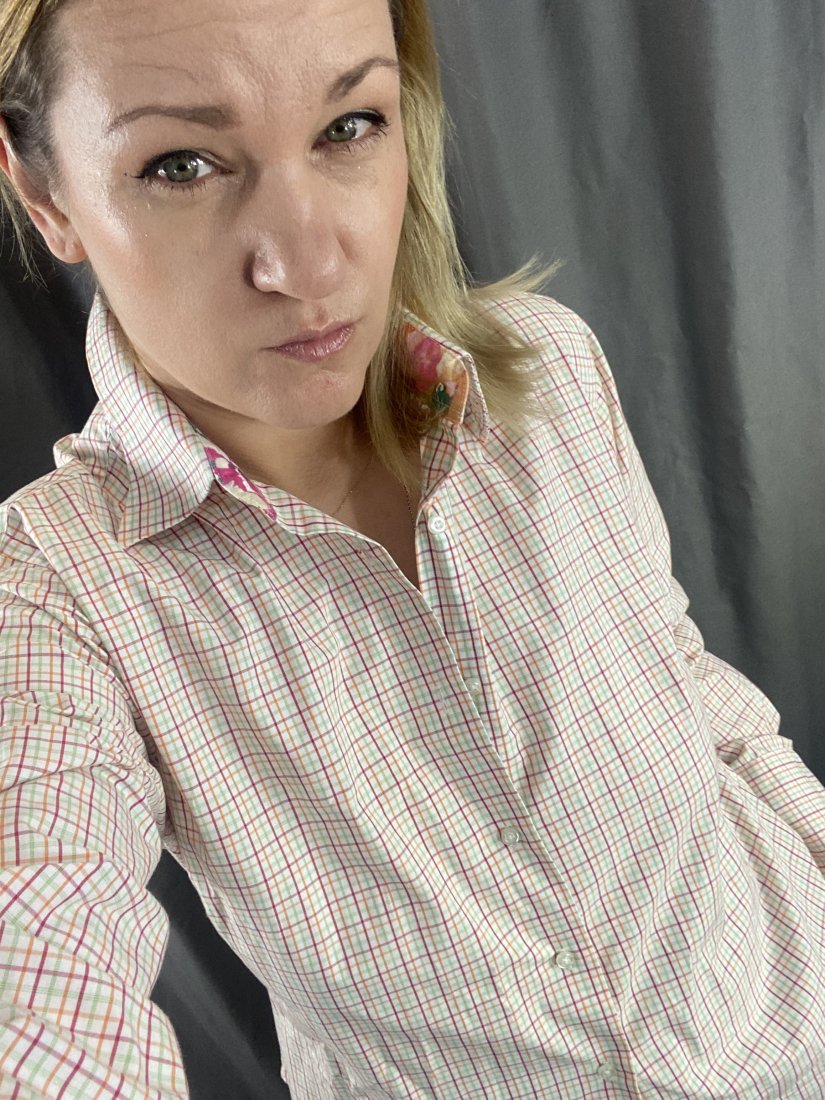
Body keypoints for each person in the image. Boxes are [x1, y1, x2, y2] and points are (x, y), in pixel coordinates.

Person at [0, 0, 824, 1097]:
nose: (310, 262)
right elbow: (40, 960)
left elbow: (686, 690)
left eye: (349, 126)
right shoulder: (54, 591)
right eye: (182, 164)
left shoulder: (549, 368)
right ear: (47, 194)